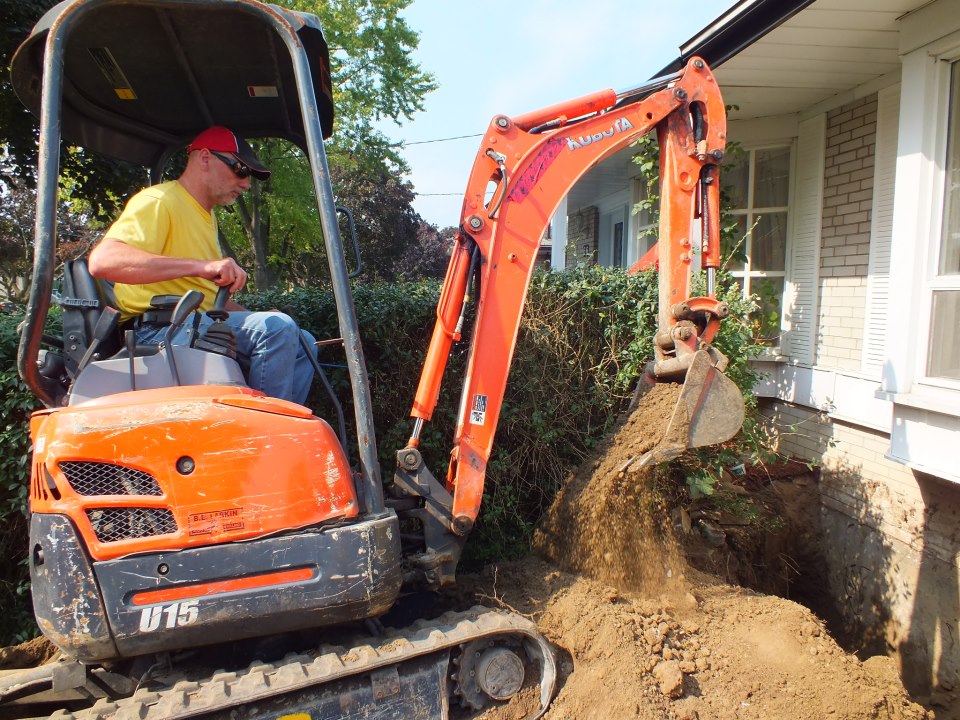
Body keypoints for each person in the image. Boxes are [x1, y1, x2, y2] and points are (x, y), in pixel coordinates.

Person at [88, 125, 316, 405]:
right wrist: (201, 266)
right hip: (157, 331)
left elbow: (209, 299)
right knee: (278, 329)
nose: (246, 184)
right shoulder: (160, 201)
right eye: (240, 170)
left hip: (193, 324)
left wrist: (257, 314)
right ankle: (260, 438)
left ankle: (286, 428)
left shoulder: (206, 218)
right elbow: (103, 261)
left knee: (302, 340)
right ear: (205, 158)